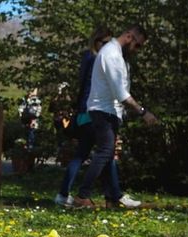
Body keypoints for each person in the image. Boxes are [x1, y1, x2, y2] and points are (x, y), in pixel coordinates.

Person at [73, 25, 159, 210]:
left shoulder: (116, 54)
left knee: (108, 155)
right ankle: (82, 196)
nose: (137, 51)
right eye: (138, 46)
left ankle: (113, 197)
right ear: (129, 36)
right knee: (105, 152)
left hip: (108, 111)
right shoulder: (111, 55)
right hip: (103, 111)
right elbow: (121, 93)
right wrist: (143, 112)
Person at [54, 27, 131, 209]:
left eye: (108, 43)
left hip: (85, 111)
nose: (107, 46)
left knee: (91, 153)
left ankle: (66, 194)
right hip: (92, 112)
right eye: (103, 43)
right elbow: (91, 88)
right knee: (105, 152)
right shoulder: (97, 59)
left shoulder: (89, 58)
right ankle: (110, 195)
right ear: (95, 42)